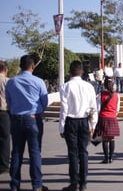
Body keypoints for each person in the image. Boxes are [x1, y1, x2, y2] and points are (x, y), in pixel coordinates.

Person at [5, 55, 49, 191]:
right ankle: (37, 184)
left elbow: (9, 101)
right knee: (35, 152)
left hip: (16, 118)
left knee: (17, 152)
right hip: (33, 118)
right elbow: (44, 101)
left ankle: (15, 184)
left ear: (20, 66)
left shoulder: (11, 82)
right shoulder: (39, 81)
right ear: (33, 66)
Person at [59, 61, 98, 191]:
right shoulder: (89, 87)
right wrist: (92, 125)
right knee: (84, 152)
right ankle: (83, 182)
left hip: (71, 121)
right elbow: (93, 108)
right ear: (82, 72)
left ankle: (74, 182)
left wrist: (62, 127)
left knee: (72, 153)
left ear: (70, 71)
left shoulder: (65, 86)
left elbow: (63, 109)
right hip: (84, 121)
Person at [96, 78, 120, 164]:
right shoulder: (117, 95)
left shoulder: (101, 95)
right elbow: (117, 109)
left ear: (104, 85)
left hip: (103, 117)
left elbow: (98, 109)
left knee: (104, 139)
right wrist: (113, 114)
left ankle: (106, 158)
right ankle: (111, 157)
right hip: (113, 118)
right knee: (112, 139)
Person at [0, 61, 9, 175]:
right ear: (5, 70)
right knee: (4, 139)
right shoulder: (7, 81)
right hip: (3, 112)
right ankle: (3, 165)